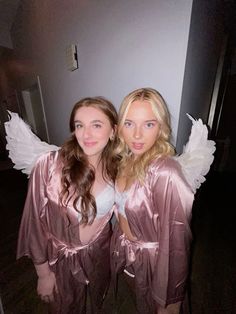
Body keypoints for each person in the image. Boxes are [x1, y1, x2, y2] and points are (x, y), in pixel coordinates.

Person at [16, 96, 118, 313]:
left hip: (99, 254)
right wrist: (43, 274)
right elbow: (34, 223)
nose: (86, 134)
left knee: (97, 303)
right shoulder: (50, 166)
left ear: (113, 131)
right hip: (60, 261)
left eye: (96, 125)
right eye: (79, 125)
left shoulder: (118, 168)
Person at [110, 88, 195, 314]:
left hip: (156, 266)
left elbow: (177, 242)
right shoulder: (124, 160)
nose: (137, 135)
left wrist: (172, 299)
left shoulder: (166, 172)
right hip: (130, 256)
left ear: (161, 127)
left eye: (148, 124)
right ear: (119, 127)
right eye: (129, 123)